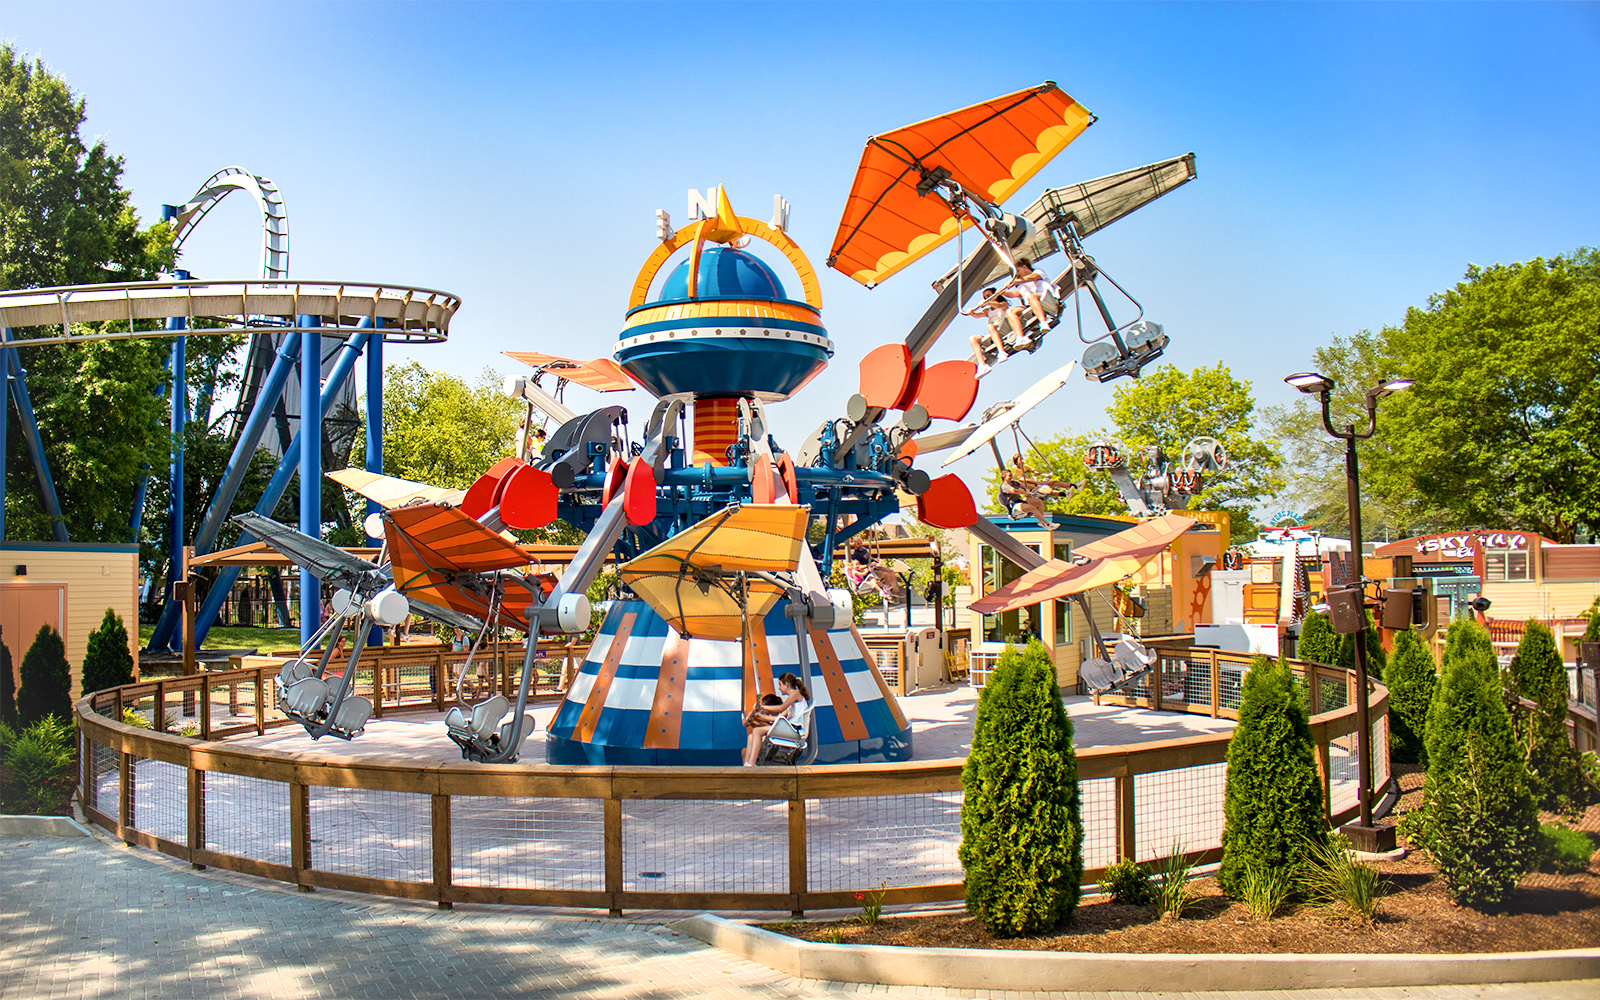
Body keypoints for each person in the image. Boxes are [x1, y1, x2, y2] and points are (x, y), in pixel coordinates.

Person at [743, 672, 812, 766]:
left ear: (786, 684)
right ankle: (746, 766)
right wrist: (758, 716)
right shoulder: (792, 702)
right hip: (791, 728)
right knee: (751, 736)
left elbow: (780, 708)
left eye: (780, 684)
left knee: (757, 731)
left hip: (795, 730)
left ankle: (751, 764)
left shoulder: (795, 694)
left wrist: (762, 707)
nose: (779, 688)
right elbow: (778, 718)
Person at [964, 286, 1029, 376]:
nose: (987, 298)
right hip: (994, 332)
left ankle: (1002, 352)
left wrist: (988, 302)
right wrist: (972, 312)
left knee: (990, 326)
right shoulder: (987, 310)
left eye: (989, 295)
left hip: (1004, 328)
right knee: (973, 338)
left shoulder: (1002, 304)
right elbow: (977, 315)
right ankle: (983, 365)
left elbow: (999, 306)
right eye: (985, 297)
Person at [1006, 258, 1058, 330]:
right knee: (1010, 311)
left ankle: (1043, 323)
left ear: (1024, 267)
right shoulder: (1021, 284)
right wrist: (1002, 293)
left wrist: (1016, 281)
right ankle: (1020, 335)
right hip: (1031, 303)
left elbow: (1033, 277)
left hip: (1045, 297)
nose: (1018, 274)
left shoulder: (1038, 272)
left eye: (1018, 271)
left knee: (1032, 297)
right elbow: (1014, 293)